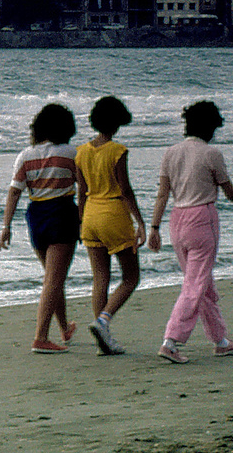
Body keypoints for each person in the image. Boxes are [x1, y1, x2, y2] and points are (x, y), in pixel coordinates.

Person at [145, 99, 233, 363]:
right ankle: (171, 341)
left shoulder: (171, 152)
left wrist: (154, 227)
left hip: (177, 220)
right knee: (195, 284)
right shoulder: (211, 154)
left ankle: (220, 340)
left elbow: (162, 194)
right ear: (210, 126)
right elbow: (228, 191)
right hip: (202, 218)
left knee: (201, 282)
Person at [0, 102, 80, 354]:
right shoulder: (72, 153)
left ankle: (64, 327)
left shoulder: (26, 155)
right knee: (53, 280)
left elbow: (14, 192)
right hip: (62, 213)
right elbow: (85, 187)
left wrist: (6, 226)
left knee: (52, 278)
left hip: (36, 216)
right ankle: (40, 337)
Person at [75, 95, 145, 355]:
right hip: (113, 213)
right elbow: (125, 189)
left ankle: (103, 340)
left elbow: (81, 192)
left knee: (100, 278)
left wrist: (82, 221)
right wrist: (140, 221)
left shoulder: (81, 151)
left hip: (90, 214)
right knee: (130, 277)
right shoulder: (117, 151)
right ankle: (103, 321)